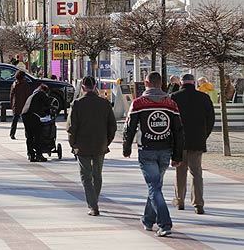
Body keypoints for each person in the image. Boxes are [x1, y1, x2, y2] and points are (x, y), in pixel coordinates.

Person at [123, 72, 184, 238]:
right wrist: (177, 155)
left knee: (154, 187)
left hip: (147, 150)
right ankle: (148, 220)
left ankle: (164, 223)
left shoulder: (138, 103)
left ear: (145, 83)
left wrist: (126, 147)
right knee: (155, 186)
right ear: (161, 84)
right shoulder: (170, 104)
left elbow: (130, 127)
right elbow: (178, 131)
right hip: (165, 151)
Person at [67, 76, 117, 216]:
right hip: (100, 144)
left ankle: (92, 205)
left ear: (82, 87)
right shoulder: (104, 103)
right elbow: (112, 126)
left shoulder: (77, 104)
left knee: (85, 176)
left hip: (82, 145)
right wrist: (107, 141)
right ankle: (94, 200)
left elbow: (71, 127)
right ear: (95, 86)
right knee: (97, 174)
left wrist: (73, 144)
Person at [171, 74, 215, 214]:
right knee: (196, 172)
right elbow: (211, 119)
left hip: (179, 141)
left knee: (180, 171)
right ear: (194, 83)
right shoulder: (204, 97)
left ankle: (180, 201)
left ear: (181, 83)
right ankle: (198, 204)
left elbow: (170, 120)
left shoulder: (174, 97)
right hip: (197, 140)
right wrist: (204, 135)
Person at [21, 84, 51, 162]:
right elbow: (48, 104)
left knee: (29, 136)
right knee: (38, 135)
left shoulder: (33, 94)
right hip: (33, 115)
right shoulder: (41, 93)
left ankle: (30, 154)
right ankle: (39, 155)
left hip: (25, 114)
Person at [10, 70, 31, 140]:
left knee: (15, 120)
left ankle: (12, 133)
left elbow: (11, 95)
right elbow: (28, 95)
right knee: (26, 121)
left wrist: (11, 104)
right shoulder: (25, 84)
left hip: (16, 104)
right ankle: (27, 134)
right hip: (24, 104)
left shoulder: (14, 84)